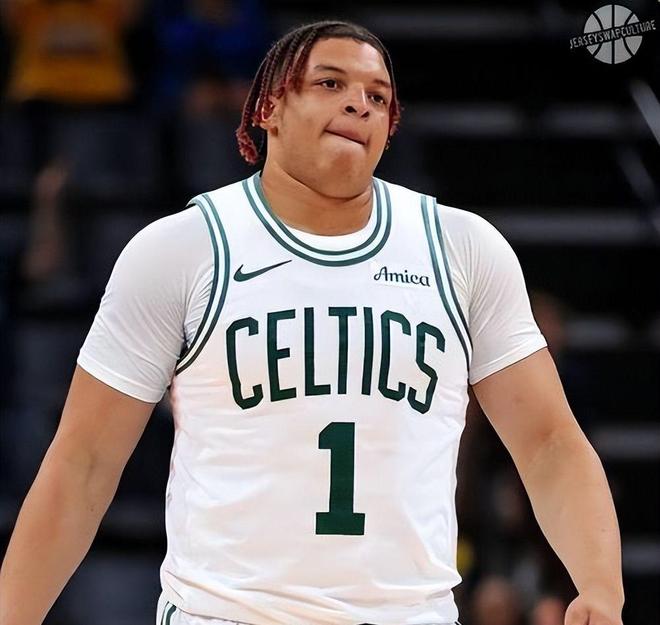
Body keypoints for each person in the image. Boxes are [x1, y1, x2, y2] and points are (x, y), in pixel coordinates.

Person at [0, 20, 624, 625]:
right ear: (268, 107)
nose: (358, 104)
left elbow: (549, 443)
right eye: (330, 83)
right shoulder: (182, 249)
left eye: (377, 97)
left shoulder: (462, 248)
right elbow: (83, 462)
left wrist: (601, 585)